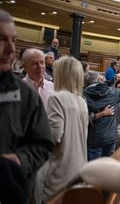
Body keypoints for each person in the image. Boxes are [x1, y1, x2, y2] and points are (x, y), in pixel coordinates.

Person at [0, 10, 54, 199]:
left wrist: (19, 160)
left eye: (13, 40)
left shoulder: (26, 95)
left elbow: (42, 144)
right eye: (1, 40)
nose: (10, 50)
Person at [34, 57, 88, 202]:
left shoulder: (57, 98)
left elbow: (53, 137)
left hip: (59, 172)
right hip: (78, 169)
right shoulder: (82, 101)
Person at [83, 71, 120, 161]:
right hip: (109, 138)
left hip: (93, 139)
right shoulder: (111, 92)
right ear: (100, 79)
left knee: (93, 169)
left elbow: (83, 117)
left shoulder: (83, 95)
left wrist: (97, 115)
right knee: (106, 169)